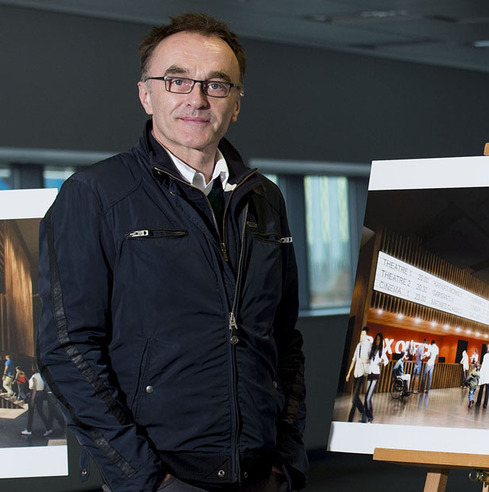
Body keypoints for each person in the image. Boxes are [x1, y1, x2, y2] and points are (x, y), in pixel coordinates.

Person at [36, 13, 306, 492]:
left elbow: (284, 339)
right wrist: (144, 478)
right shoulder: (95, 195)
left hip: (263, 472)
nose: (196, 99)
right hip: (165, 475)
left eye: (216, 85)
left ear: (237, 103)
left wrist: (287, 457)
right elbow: (67, 349)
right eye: (177, 80)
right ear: (147, 94)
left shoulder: (264, 199)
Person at [21, 365, 63, 437]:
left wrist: (32, 399)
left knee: (30, 413)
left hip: (34, 394)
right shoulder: (42, 376)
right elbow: (35, 385)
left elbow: (34, 388)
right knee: (40, 412)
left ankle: (28, 429)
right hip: (40, 394)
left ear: (33, 368)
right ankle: (48, 428)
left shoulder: (34, 376)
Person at [345, 327, 372, 422]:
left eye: (363, 334)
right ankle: (361, 411)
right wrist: (348, 373)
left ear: (366, 335)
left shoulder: (369, 345)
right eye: (360, 334)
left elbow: (371, 359)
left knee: (354, 397)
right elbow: (353, 359)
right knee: (354, 398)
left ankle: (361, 412)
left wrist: (364, 361)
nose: (361, 336)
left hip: (362, 373)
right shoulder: (358, 345)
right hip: (356, 373)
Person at [363, 333, 389, 423]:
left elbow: (386, 361)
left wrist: (381, 362)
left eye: (379, 340)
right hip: (370, 373)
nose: (377, 341)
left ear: (381, 341)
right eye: (376, 339)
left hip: (375, 375)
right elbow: (369, 360)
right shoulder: (372, 349)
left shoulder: (382, 351)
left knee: (368, 398)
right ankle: (365, 417)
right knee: (366, 397)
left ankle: (370, 417)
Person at [475, 344, 489, 409]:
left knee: (481, 388)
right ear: (488, 349)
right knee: (487, 389)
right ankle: (485, 404)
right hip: (488, 374)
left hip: (484, 373)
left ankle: (478, 402)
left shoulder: (486, 355)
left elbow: (484, 364)